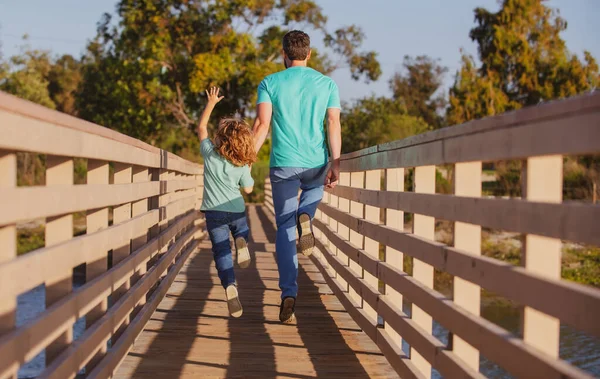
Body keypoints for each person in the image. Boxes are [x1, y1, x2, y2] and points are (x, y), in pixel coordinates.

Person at [252, 30, 342, 323]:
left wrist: (246, 158)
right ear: (309, 54)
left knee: (283, 228)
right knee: (315, 191)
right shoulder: (327, 83)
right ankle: (307, 215)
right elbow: (333, 122)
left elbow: (262, 125)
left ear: (284, 54)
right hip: (316, 162)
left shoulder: (270, 82)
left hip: (283, 164)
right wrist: (336, 162)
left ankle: (288, 291)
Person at [198, 87, 257, 318]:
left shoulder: (210, 154)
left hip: (214, 214)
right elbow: (249, 189)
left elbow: (202, 127)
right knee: (242, 232)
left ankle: (230, 285)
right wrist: (248, 169)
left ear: (220, 138)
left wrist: (211, 103)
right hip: (237, 211)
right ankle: (241, 241)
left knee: (221, 250)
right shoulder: (241, 165)